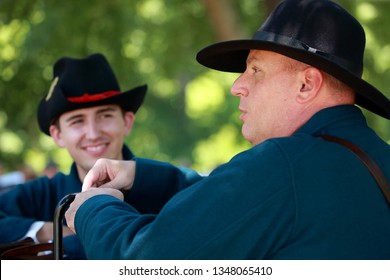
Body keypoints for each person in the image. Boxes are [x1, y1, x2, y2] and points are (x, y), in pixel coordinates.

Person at [65, 0, 390, 259]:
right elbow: (236, 202)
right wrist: (144, 178)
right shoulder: (377, 157)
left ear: (306, 84)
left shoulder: (284, 164)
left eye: (255, 70)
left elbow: (142, 262)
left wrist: (92, 208)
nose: (238, 85)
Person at [0, 53, 147, 259]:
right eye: (77, 121)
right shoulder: (42, 194)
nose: (94, 133)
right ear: (58, 135)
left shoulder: (167, 186)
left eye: (105, 115)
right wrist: (50, 231)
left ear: (127, 122)